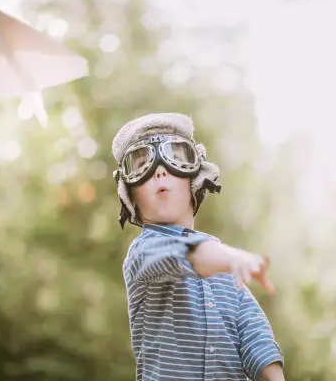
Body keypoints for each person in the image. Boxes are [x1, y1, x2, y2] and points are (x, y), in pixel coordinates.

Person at [112, 112, 285, 381]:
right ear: (131, 195)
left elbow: (255, 336)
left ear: (195, 179)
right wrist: (231, 257)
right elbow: (185, 254)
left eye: (175, 160)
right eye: (143, 164)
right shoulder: (143, 252)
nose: (160, 171)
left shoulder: (228, 272)